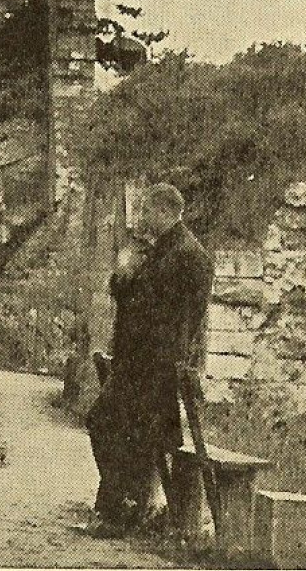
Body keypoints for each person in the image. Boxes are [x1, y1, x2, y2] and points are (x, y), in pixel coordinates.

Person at [86, 182, 214, 537]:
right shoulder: (162, 250)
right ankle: (120, 505)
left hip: (155, 369)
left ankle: (120, 508)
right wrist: (123, 273)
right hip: (138, 364)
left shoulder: (189, 255)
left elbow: (165, 315)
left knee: (112, 425)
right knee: (102, 422)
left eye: (145, 211)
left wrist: (128, 277)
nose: (141, 218)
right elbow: (129, 294)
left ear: (163, 212)